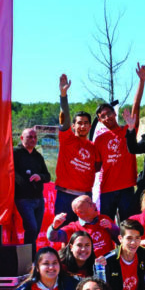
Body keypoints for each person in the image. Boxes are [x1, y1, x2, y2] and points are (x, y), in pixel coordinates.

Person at [93, 63, 145, 221]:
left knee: (128, 226)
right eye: (103, 116)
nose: (107, 117)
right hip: (106, 190)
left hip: (127, 189)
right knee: (106, 225)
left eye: (109, 113)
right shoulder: (99, 140)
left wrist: (142, 81)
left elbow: (136, 106)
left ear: (114, 114)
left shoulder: (127, 130)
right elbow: (95, 166)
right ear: (99, 120)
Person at [56, 74, 102, 222]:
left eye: (86, 123)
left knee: (84, 235)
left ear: (90, 126)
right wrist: (64, 95)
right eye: (79, 123)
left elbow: (96, 167)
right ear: (74, 125)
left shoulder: (93, 147)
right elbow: (65, 119)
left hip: (85, 196)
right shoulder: (67, 138)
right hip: (65, 195)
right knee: (62, 233)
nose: (82, 126)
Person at [13, 127, 51, 252]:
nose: (33, 140)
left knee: (35, 231)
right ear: (22, 138)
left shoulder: (38, 156)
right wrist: (21, 181)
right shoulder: (14, 153)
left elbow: (47, 176)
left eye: (35, 137)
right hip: (23, 198)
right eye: (29, 137)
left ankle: (31, 258)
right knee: (32, 228)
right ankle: (30, 258)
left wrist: (39, 176)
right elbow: (10, 172)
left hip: (38, 199)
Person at [47, 195, 119, 257]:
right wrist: (54, 226)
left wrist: (112, 227)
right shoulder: (73, 228)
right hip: (86, 268)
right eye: (90, 204)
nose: (94, 204)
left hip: (108, 263)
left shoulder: (104, 219)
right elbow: (52, 237)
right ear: (80, 212)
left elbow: (120, 238)